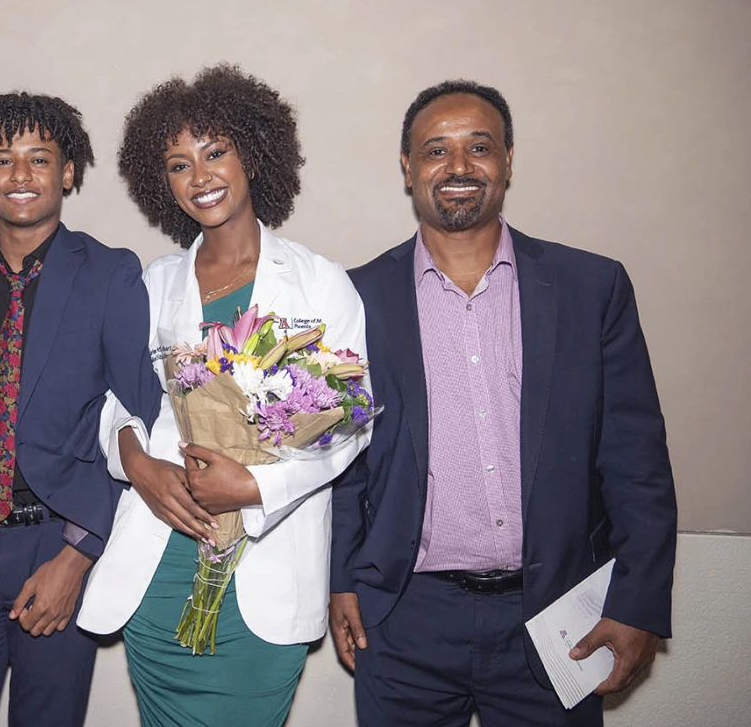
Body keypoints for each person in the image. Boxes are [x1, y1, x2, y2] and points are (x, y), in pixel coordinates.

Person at [329, 80, 677, 726]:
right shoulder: (355, 298)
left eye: (479, 146)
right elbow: (344, 459)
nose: (458, 166)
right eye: (436, 150)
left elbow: (637, 460)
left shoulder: (591, 289)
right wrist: (342, 576)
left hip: (557, 613)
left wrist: (638, 600)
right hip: (407, 620)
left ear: (508, 160)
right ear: (408, 168)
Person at [78, 65, 371, 727]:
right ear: (163, 183)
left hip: (263, 584)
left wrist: (253, 488)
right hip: (160, 567)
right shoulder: (153, 284)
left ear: (253, 154)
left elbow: (348, 428)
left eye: (215, 152)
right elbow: (116, 402)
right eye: (179, 164)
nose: (201, 175)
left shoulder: (320, 284)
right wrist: (138, 463)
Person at [0, 92, 161, 727]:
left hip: (57, 540)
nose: (20, 175)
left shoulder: (111, 275)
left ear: (67, 172)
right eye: (2, 160)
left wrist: (79, 554)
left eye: (39, 159)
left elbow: (137, 422)